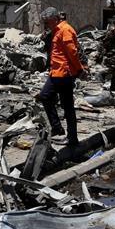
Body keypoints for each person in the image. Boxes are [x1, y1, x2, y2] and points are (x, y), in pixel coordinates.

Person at [38, 7, 87, 146]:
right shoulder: (56, 31)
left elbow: (72, 52)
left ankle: (72, 139)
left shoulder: (65, 30)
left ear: (54, 19)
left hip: (64, 73)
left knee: (68, 106)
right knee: (45, 96)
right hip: (56, 72)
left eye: (47, 22)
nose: (46, 25)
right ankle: (57, 128)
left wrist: (79, 69)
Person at [99, 17, 115, 92]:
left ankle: (113, 85)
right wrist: (109, 51)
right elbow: (105, 42)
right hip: (112, 55)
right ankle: (102, 77)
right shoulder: (111, 32)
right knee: (112, 69)